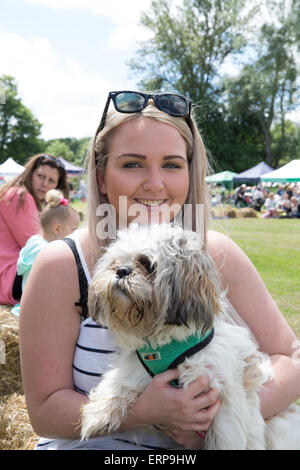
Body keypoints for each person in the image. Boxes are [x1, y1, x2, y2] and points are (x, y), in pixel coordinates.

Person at [19, 91, 300, 450]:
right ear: (102, 177)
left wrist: (215, 416)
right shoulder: (61, 265)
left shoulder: (216, 253)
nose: (155, 183)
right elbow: (43, 411)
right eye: (133, 164)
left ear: (189, 172)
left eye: (171, 164)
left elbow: (291, 358)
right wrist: (143, 411)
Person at [0, 153, 69, 305]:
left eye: (51, 181)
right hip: (7, 278)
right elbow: (39, 246)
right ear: (30, 174)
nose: (44, 184)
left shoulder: (24, 196)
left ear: (56, 187)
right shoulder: (19, 196)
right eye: (40, 176)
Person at [11, 189, 80, 316]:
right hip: (40, 308)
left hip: (25, 303)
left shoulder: (34, 241)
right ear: (57, 228)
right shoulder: (51, 252)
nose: (76, 234)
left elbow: (20, 270)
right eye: (73, 229)